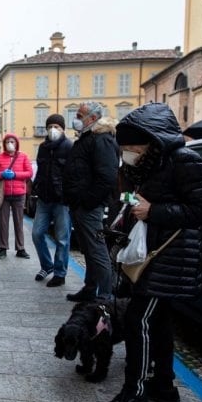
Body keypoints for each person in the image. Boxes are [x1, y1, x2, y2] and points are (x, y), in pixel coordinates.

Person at [101, 102, 202, 402]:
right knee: (160, 322)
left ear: (153, 140)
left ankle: (135, 392)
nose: (127, 151)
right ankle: (164, 386)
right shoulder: (144, 165)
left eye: (132, 145)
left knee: (138, 321)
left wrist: (154, 211)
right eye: (123, 146)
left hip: (169, 257)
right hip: (150, 254)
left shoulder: (185, 161)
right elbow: (136, 201)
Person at [62, 102, 119, 301]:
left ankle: (105, 296)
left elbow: (107, 177)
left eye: (79, 115)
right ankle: (90, 289)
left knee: (96, 250)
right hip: (80, 204)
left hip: (89, 206)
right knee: (88, 249)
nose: (75, 119)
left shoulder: (101, 139)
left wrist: (87, 201)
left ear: (92, 118)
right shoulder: (87, 138)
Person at [31, 113, 73, 287]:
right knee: (37, 233)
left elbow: (73, 174)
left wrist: (69, 194)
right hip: (44, 198)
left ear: (63, 129)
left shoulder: (70, 147)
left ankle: (60, 273)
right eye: (49, 127)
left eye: (56, 127)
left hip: (62, 200)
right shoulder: (42, 147)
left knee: (62, 239)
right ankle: (47, 265)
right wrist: (35, 188)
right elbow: (40, 171)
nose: (52, 130)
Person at [0, 133, 33, 259]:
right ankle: (3, 248)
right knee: (3, 223)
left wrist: (15, 175)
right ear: (4, 144)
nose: (10, 144)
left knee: (19, 223)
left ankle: (20, 249)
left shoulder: (23, 157)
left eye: (12, 141)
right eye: (8, 141)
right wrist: (2, 174)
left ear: (17, 143)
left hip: (19, 194)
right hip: (4, 195)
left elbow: (29, 173)